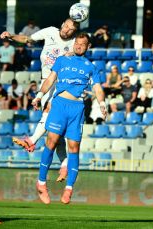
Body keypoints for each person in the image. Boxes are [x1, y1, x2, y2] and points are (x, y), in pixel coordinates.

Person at [31, 33, 106, 204]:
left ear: (88, 46)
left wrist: (102, 104)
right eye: (77, 43)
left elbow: (98, 88)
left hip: (77, 108)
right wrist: (39, 96)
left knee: (74, 148)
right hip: (59, 105)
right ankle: (41, 183)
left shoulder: (91, 67)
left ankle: (69, 188)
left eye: (82, 44)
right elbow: (50, 79)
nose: (79, 46)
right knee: (51, 142)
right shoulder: (61, 60)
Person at [1, 18, 79, 181]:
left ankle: (31, 140)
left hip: (63, 84)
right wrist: (11, 36)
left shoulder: (74, 43)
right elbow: (27, 39)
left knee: (50, 111)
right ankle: (64, 164)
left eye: (71, 29)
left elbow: (85, 48)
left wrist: (75, 52)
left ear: (74, 32)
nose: (67, 30)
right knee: (54, 132)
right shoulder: (50, 31)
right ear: (62, 24)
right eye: (66, 26)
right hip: (46, 81)